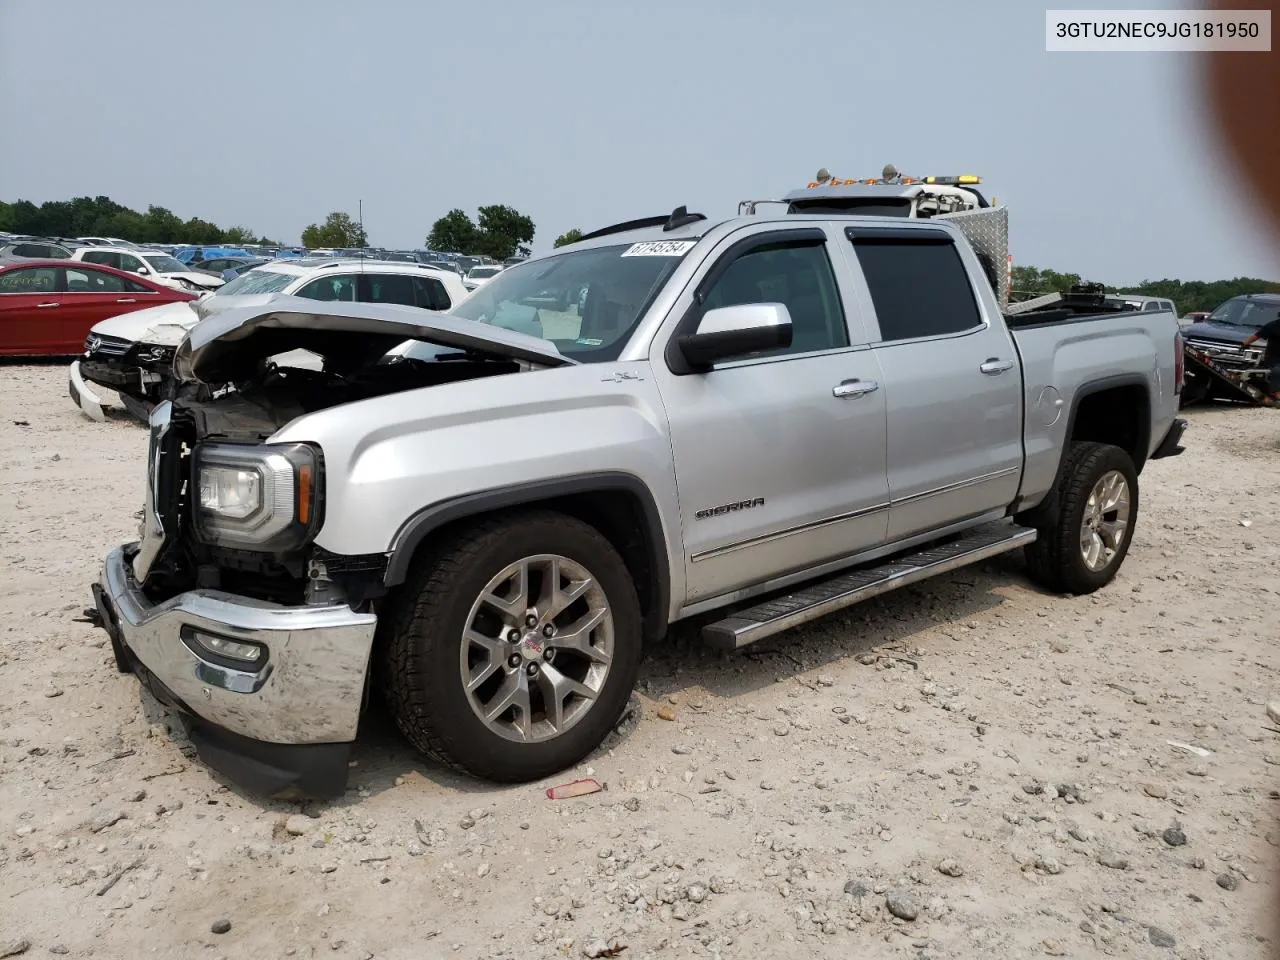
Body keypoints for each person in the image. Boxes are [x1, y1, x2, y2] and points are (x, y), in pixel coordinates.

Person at [1241, 310, 1280, 403]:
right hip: (1274, 358)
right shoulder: (1273, 325)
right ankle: (1277, 394)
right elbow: (1256, 336)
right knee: (1277, 371)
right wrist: (1244, 344)